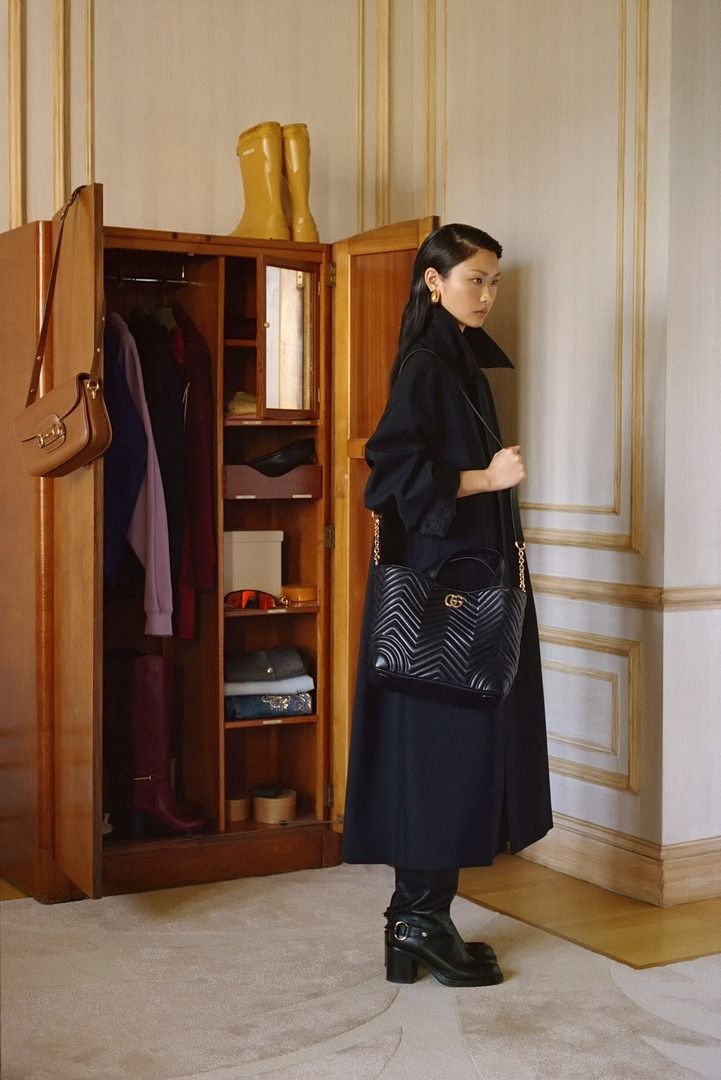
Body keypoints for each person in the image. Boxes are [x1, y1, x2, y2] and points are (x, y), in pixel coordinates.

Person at [341, 223, 553, 988]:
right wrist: (486, 480)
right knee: (440, 754)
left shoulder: (456, 360)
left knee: (445, 754)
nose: (487, 294)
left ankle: (417, 922)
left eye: (494, 280)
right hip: (442, 598)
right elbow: (390, 477)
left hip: (458, 585)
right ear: (432, 282)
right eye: (473, 279)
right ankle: (418, 921)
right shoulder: (429, 366)